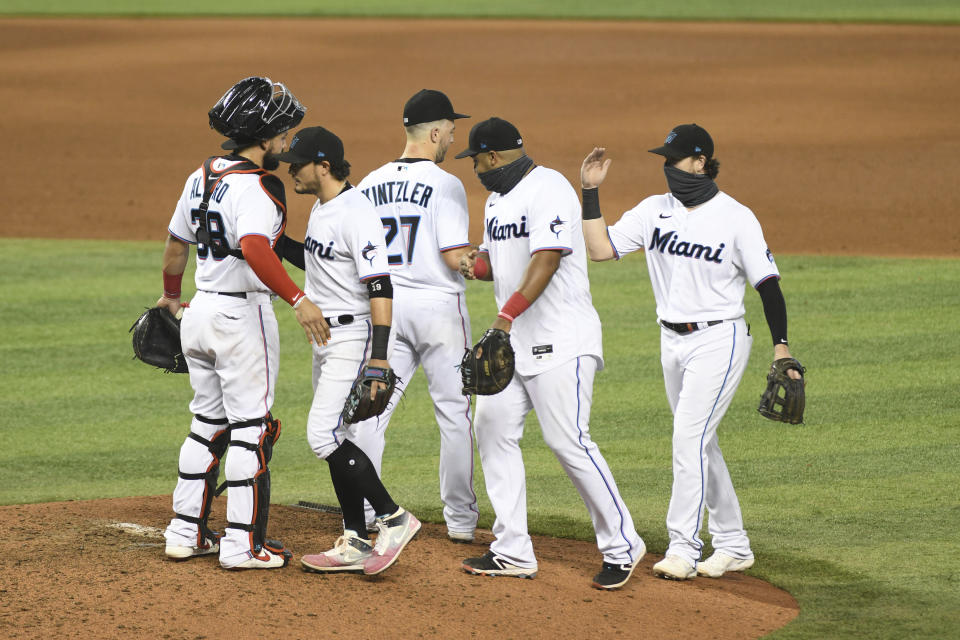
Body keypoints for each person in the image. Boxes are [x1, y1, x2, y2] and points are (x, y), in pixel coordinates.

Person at [578, 124, 802, 580]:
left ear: (700, 163)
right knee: (701, 441)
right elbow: (600, 249)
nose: (667, 168)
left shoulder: (736, 217)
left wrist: (781, 347)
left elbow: (768, 287)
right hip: (671, 340)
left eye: (675, 160)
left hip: (719, 339)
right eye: (664, 160)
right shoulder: (652, 210)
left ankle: (683, 547)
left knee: (688, 438)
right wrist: (589, 192)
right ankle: (734, 544)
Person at [456, 117, 646, 590]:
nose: (475, 169)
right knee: (492, 428)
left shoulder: (550, 189)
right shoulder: (497, 202)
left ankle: (624, 543)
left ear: (494, 157)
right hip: (514, 344)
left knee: (569, 442)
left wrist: (504, 317)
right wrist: (471, 264)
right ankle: (513, 549)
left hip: (562, 339)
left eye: (476, 160)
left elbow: (547, 258)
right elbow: (498, 264)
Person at [159, 76, 330, 570]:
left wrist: (172, 298)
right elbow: (256, 247)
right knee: (251, 428)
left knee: (206, 425)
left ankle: (184, 531)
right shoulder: (258, 184)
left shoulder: (201, 175)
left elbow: (175, 246)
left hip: (199, 310)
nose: (286, 142)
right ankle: (241, 544)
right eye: (282, 133)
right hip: (240, 317)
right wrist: (299, 299)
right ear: (263, 134)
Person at [274, 126, 421, 576]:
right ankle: (356, 538)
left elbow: (380, 285)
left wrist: (379, 357)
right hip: (326, 340)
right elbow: (317, 261)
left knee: (321, 435)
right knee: (343, 436)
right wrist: (270, 242)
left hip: (355, 338)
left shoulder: (356, 213)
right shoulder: (323, 207)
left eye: (298, 164)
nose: (292, 171)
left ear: (324, 165)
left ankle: (393, 519)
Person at [351, 89, 478, 543]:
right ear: (438, 131)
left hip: (384, 311)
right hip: (439, 311)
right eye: (451, 130)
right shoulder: (446, 183)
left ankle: (366, 512)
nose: (452, 138)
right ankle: (461, 521)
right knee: (455, 414)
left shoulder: (368, 183)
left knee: (368, 412)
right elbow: (454, 256)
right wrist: (495, 264)